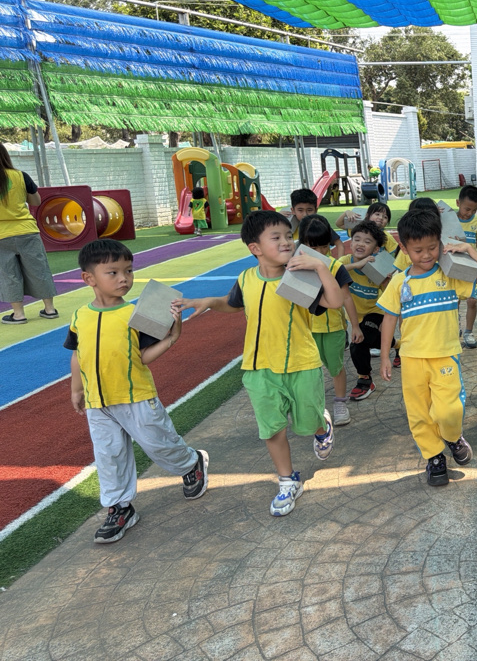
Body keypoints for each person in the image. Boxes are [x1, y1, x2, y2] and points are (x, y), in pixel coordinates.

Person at [178, 210, 354, 516]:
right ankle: (288, 481)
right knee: (272, 429)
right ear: (255, 248)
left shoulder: (298, 277)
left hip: (302, 365)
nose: (286, 242)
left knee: (307, 421)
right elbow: (233, 304)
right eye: (276, 237)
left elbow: (335, 302)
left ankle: (321, 426)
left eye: (288, 236)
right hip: (259, 369)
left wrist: (320, 267)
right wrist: (209, 302)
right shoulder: (246, 278)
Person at [66, 240, 209, 543]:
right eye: (113, 272)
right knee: (109, 457)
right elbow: (78, 354)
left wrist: (172, 338)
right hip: (98, 403)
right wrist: (76, 389)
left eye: (129, 271)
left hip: (137, 398)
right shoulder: (80, 316)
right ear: (89, 278)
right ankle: (120, 508)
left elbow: (143, 357)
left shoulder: (137, 315)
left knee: (159, 444)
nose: (124, 278)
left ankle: (190, 463)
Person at [376, 209, 477, 487]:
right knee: (418, 413)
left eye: (432, 247)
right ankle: (434, 457)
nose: (427, 255)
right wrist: (385, 356)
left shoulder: (450, 273)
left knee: (448, 411)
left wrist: (470, 250)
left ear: (440, 242)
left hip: (445, 355)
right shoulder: (399, 281)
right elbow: (389, 318)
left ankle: (453, 437)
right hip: (411, 359)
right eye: (418, 250)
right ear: (404, 248)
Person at [298, 214, 365, 427]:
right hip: (306, 330)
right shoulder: (296, 266)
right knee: (310, 371)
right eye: (313, 248)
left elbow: (346, 298)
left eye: (324, 247)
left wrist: (355, 326)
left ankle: (340, 404)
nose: (320, 252)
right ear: (302, 245)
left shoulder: (335, 267)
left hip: (333, 328)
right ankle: (315, 407)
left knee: (335, 367)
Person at [0, 145, 58, 324]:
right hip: (26, 230)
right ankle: (49, 309)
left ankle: (18, 314)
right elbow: (36, 201)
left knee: (9, 274)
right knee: (39, 269)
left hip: (2, 235)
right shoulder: (20, 176)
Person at [342, 219, 397, 401]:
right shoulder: (345, 262)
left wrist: (387, 281)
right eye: (357, 239)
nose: (360, 244)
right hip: (354, 315)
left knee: (359, 341)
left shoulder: (378, 267)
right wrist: (356, 265)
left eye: (367, 242)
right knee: (371, 339)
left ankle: (364, 380)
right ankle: (397, 345)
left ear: (376, 249)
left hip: (375, 312)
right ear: (351, 243)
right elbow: (331, 270)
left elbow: (390, 296)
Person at [456, 185, 477, 348]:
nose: (469, 213)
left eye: (474, 210)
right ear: (458, 203)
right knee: (454, 300)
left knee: (472, 301)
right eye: (467, 209)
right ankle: (455, 327)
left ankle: (468, 332)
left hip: (472, 268)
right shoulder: (449, 219)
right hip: (455, 268)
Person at [290, 188, 342, 256]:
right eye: (300, 210)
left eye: (309, 210)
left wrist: (340, 261)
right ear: (293, 210)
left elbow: (339, 244)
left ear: (315, 210)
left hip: (326, 261)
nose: (305, 214)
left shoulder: (321, 226)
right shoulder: (288, 229)